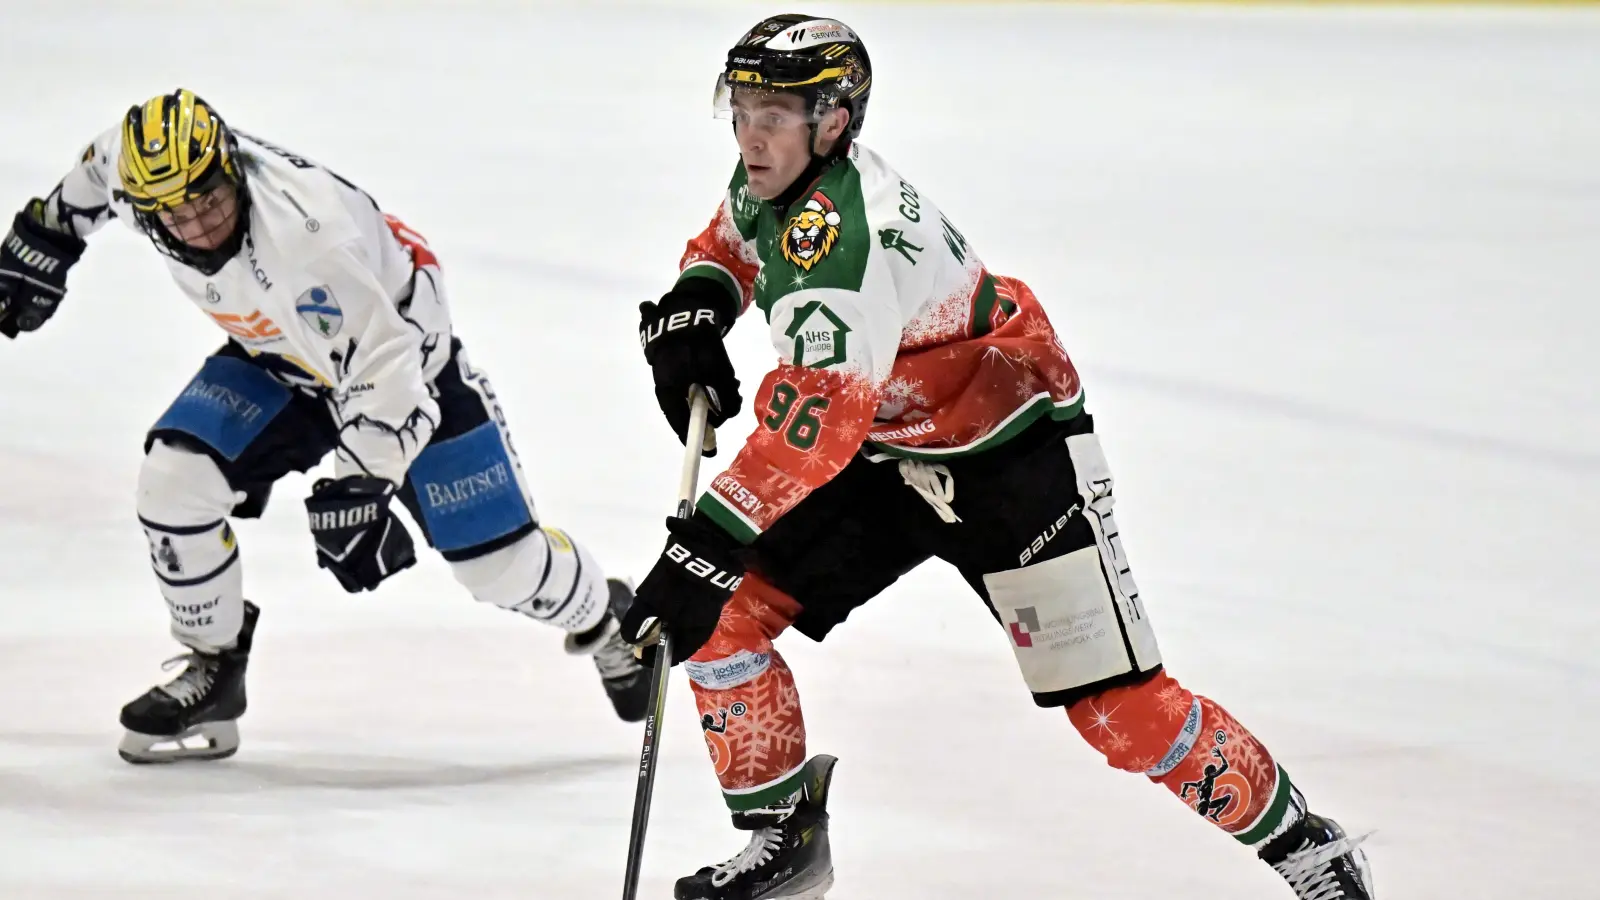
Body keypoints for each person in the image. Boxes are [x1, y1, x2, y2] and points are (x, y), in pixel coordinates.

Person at [624, 14, 1375, 900]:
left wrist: (703, 539)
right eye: (743, 107)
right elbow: (732, 244)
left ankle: (1307, 848)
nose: (752, 132)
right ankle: (786, 840)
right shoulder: (774, 177)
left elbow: (815, 427)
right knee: (724, 617)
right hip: (887, 451)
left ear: (834, 121)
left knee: (1119, 714)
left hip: (1010, 457)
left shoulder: (844, 244)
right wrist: (698, 305)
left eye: (776, 112)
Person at [0, 89, 650, 764]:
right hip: (282, 361)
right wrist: (45, 235)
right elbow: (101, 165)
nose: (199, 227)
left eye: (210, 202)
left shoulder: (310, 241)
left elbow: (392, 376)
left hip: (409, 375)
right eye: (177, 215)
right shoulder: (152, 175)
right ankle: (214, 666)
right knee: (174, 481)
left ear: (232, 168)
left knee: (500, 570)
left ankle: (608, 620)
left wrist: (358, 488)